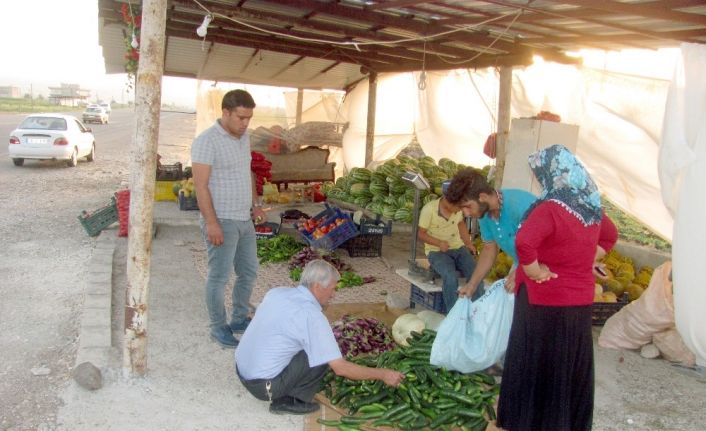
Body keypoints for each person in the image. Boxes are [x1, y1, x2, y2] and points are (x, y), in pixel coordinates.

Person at [496, 144, 618, 431]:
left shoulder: (550, 207)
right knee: (567, 366)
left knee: (536, 361)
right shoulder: (591, 206)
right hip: (578, 303)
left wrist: (534, 270)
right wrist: (585, 258)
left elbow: (524, 242)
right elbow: (610, 237)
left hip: (543, 300)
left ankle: (530, 422)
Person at [235, 260, 405, 415]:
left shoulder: (277, 292)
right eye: (332, 288)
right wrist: (383, 374)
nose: (334, 294)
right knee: (323, 354)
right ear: (317, 286)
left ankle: (285, 386)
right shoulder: (312, 316)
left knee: (311, 344)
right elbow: (340, 368)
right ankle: (290, 400)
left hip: (241, 370)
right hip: (265, 387)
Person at [191, 89, 266, 348]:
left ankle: (238, 317)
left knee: (248, 271)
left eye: (249, 118)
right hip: (221, 219)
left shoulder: (243, 138)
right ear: (225, 113)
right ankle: (218, 327)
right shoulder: (206, 141)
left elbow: (247, 173)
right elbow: (200, 186)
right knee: (219, 276)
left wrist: (255, 204)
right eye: (241, 118)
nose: (246, 123)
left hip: (243, 219)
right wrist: (212, 223)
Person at [450, 169, 537, 297]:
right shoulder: (484, 214)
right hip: (523, 264)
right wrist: (472, 285)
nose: (466, 214)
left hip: (549, 267)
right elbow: (489, 248)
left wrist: (521, 272)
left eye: (467, 206)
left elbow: (545, 246)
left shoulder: (521, 205)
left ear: (483, 197)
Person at [417, 180, 479, 311]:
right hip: (436, 252)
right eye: (458, 206)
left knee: (476, 273)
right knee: (450, 276)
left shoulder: (458, 211)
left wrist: (468, 243)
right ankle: (452, 313)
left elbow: (460, 224)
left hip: (458, 248)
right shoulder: (429, 210)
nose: (460, 209)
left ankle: (477, 309)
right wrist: (438, 243)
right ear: (447, 200)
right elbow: (421, 234)